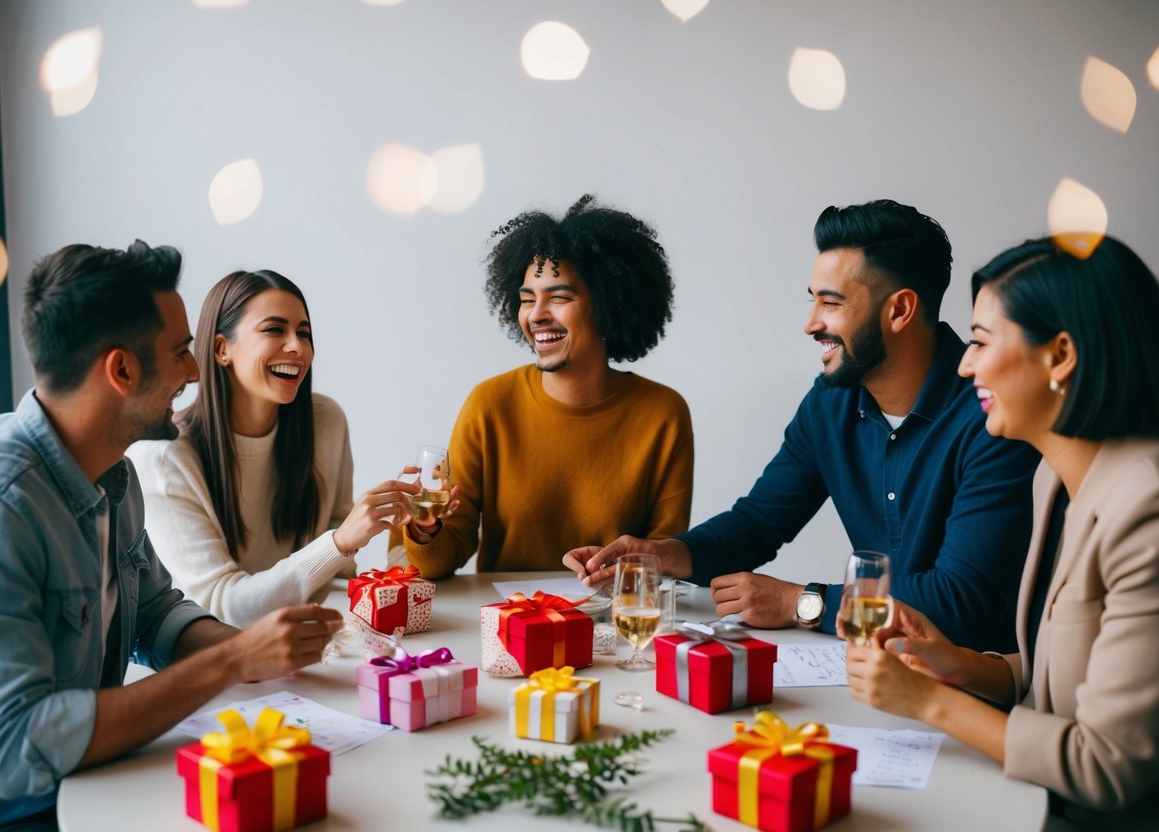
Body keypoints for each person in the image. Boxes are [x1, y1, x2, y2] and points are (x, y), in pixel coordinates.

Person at [0, 242, 341, 830]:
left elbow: (155, 614)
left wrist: (253, 656)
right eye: (181, 352)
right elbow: (13, 751)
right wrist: (230, 659)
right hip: (11, 811)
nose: (193, 369)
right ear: (122, 370)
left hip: (103, 780)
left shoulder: (115, 472)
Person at [567, 199, 1040, 652]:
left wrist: (803, 603)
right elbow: (758, 522)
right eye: (813, 301)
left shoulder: (994, 415)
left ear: (899, 310)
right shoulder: (830, 403)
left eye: (830, 304)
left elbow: (962, 603)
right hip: (875, 672)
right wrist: (666, 554)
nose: (810, 324)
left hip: (974, 689)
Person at [846, 235, 1159, 829]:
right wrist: (956, 664)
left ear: (1060, 355)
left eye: (981, 342)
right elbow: (1056, 678)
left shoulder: (1145, 504)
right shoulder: (1053, 478)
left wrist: (929, 702)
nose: (964, 364)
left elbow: (1108, 766)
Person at [400, 194, 694, 579]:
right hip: (508, 623)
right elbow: (438, 560)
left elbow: (665, 559)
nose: (537, 315)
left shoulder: (663, 414)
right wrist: (427, 527)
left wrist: (622, 570)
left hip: (614, 622)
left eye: (558, 297)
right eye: (527, 300)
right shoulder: (489, 405)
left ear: (607, 305)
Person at [127, 271, 420, 628]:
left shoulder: (326, 422)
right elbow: (221, 608)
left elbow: (338, 564)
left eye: (304, 333)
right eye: (274, 330)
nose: (297, 347)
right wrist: (340, 542)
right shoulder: (163, 456)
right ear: (222, 349)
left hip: (307, 649)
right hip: (218, 664)